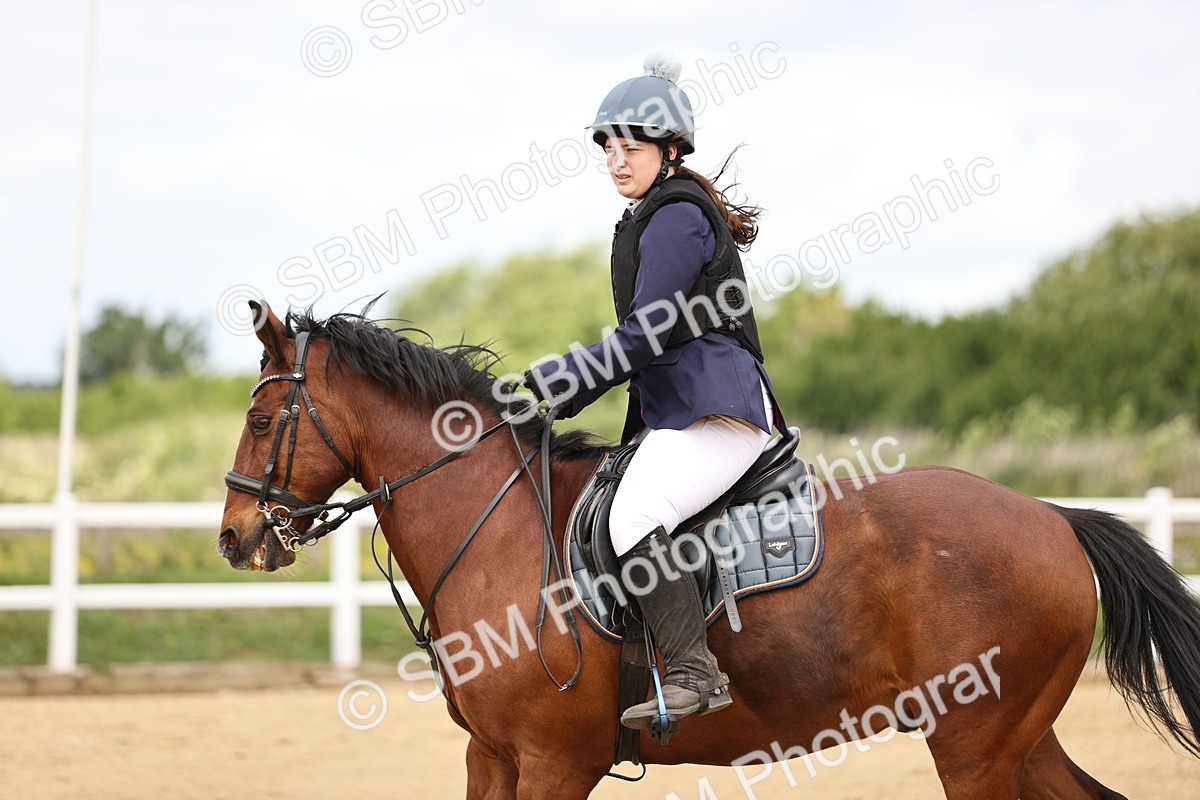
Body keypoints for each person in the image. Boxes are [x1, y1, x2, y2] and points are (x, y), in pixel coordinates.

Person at [523, 52, 786, 730]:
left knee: (634, 515)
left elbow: (647, 334)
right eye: (608, 147)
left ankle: (696, 671)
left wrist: (565, 378)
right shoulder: (649, 215)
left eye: (630, 146)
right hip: (685, 411)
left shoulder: (675, 216)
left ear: (670, 149)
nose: (616, 160)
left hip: (717, 411)